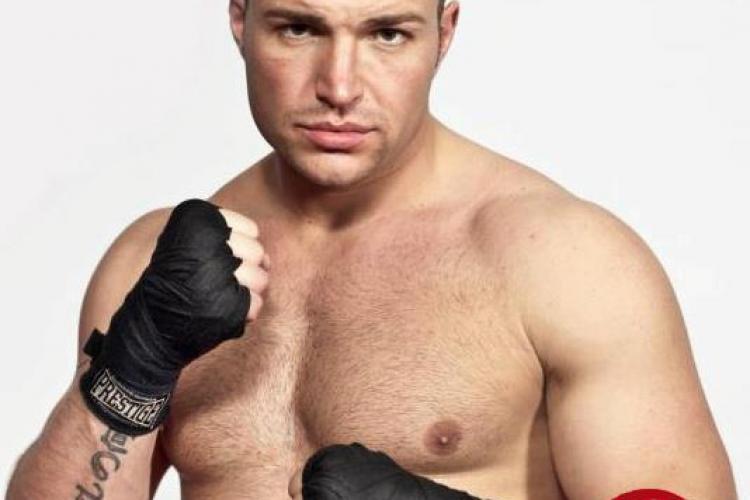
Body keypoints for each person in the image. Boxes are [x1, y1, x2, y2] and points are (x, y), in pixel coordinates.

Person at [6, 0, 738, 498]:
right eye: (299, 28)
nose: (339, 86)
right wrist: (132, 367)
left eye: (388, 34)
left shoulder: (564, 261)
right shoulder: (154, 261)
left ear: (445, 31)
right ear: (239, 18)